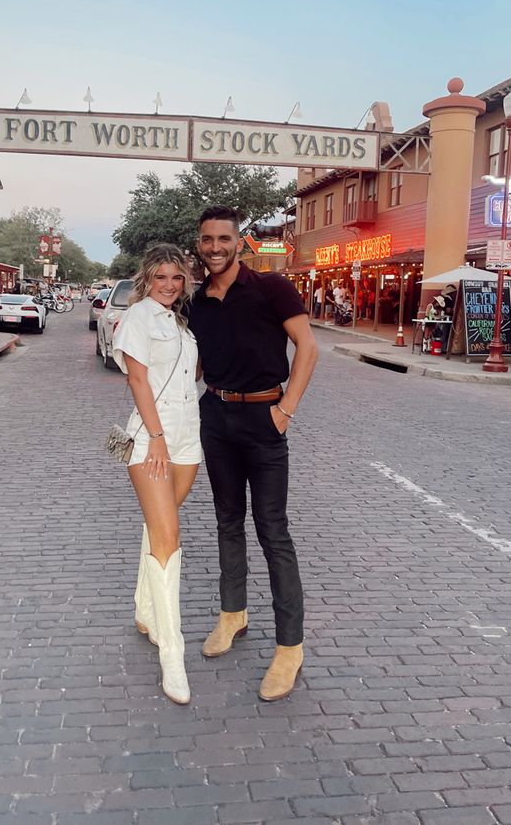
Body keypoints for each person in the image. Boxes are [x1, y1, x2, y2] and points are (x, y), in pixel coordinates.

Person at [188, 206, 318, 702]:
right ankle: (232, 615)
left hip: (265, 421)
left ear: (239, 242)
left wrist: (285, 411)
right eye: (207, 239)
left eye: (224, 238)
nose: (215, 246)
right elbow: (197, 364)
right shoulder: (199, 300)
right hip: (216, 420)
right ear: (199, 245)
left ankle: (290, 647)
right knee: (226, 522)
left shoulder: (272, 288)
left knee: (273, 532)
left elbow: (306, 348)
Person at [111, 244, 202, 705]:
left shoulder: (180, 323)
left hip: (190, 436)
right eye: (162, 277)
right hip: (152, 437)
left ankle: (145, 609)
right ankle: (173, 653)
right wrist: (158, 436)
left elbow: (191, 376)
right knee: (169, 535)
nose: (169, 284)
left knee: (159, 525)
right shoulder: (140, 318)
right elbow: (137, 380)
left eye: (177, 277)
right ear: (147, 279)